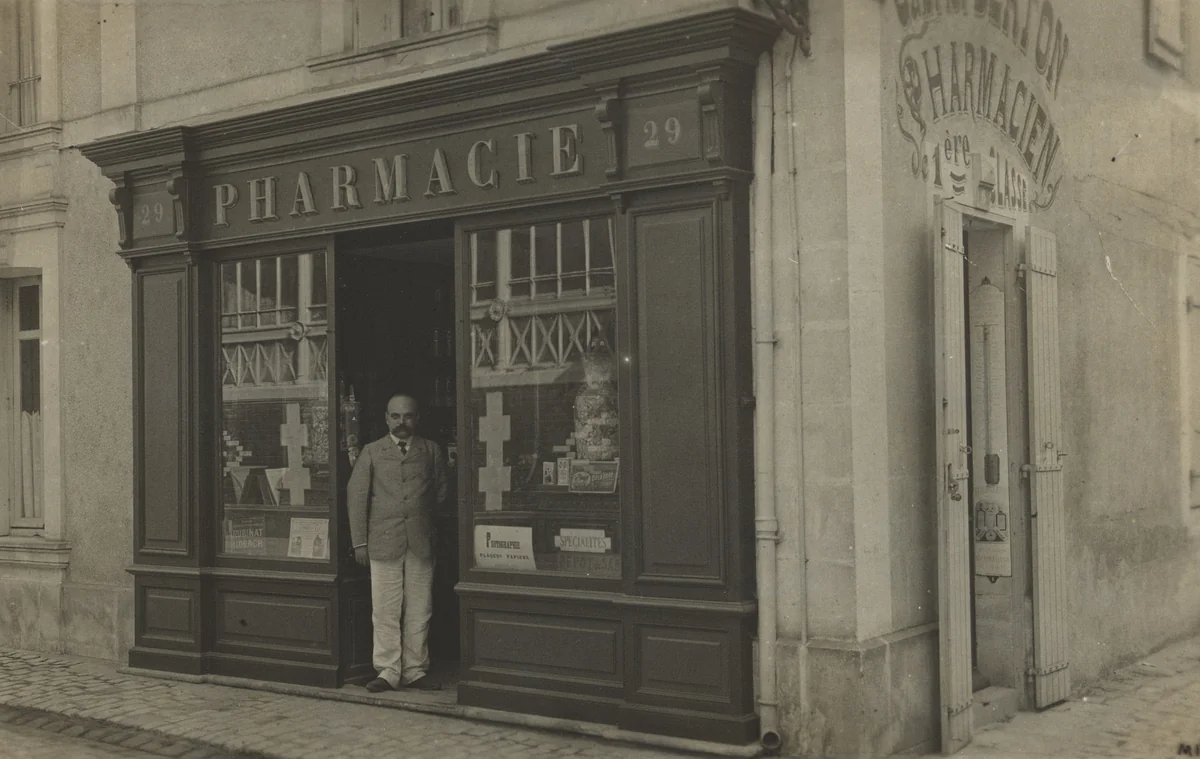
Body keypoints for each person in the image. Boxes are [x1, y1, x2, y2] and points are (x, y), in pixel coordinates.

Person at [348, 393, 448, 692]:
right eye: (395, 416)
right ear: (386, 418)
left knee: (420, 607)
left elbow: (442, 494)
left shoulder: (431, 451)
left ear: (417, 418)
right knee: (385, 610)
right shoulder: (372, 452)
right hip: (383, 542)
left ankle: (415, 670)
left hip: (421, 542)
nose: (401, 422)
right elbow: (356, 499)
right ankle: (388, 671)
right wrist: (359, 543)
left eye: (407, 416)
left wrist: (429, 527)